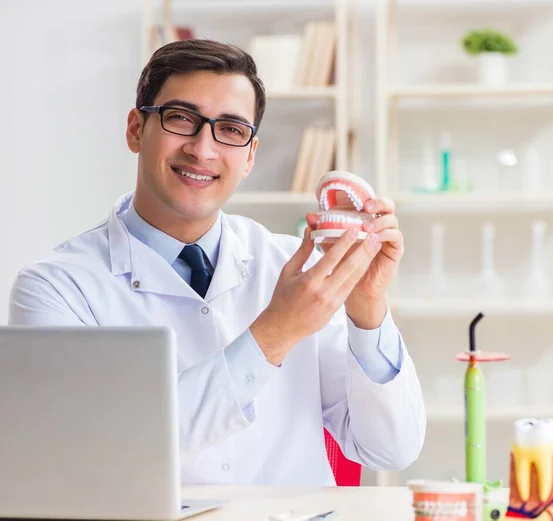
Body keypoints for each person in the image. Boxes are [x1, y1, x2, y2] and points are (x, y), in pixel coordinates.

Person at [8, 39, 426, 485]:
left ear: (249, 156)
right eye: (182, 119)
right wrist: (276, 333)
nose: (203, 149)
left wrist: (367, 313)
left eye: (230, 129)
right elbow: (93, 459)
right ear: (135, 129)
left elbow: (390, 447)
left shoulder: (294, 268)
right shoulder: (55, 289)